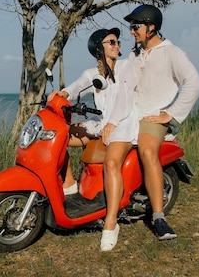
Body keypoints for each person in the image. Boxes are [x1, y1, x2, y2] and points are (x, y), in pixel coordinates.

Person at [48, 27, 138, 251]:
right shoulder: (93, 74)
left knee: (111, 163)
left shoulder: (126, 66)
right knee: (58, 138)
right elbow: (78, 86)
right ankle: (69, 185)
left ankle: (110, 224)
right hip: (102, 126)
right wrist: (63, 94)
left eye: (117, 42)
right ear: (100, 48)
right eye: (111, 42)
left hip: (124, 125)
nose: (117, 46)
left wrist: (112, 123)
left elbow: (125, 101)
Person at [124, 4, 199, 241]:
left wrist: (170, 114)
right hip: (130, 114)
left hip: (152, 116)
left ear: (151, 28)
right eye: (131, 26)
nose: (131, 31)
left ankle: (159, 217)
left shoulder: (172, 53)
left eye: (135, 26)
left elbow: (194, 84)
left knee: (148, 151)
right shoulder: (134, 54)